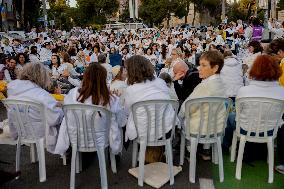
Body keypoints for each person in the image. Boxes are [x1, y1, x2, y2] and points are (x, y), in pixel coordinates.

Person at [54, 63, 127, 155]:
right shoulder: (110, 99)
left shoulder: (72, 94)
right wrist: (117, 101)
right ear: (103, 79)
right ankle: (114, 156)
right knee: (115, 122)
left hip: (76, 138)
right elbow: (122, 122)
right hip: (101, 140)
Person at [223, 55, 284, 160]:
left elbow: (239, 112)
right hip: (270, 131)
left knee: (230, 116)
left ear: (255, 69)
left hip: (245, 128)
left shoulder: (245, 90)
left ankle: (225, 146)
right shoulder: (281, 92)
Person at [178, 50, 227, 159]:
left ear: (215, 68)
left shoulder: (204, 86)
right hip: (217, 127)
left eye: (204, 65)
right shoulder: (221, 83)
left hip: (198, 129)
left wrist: (178, 118)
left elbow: (187, 108)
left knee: (182, 118)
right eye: (200, 65)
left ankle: (190, 150)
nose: (199, 68)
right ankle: (205, 150)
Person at [6, 63, 64, 153]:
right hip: (40, 131)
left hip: (21, 129)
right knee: (67, 120)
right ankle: (70, 153)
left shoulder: (12, 90)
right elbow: (54, 119)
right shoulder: (41, 94)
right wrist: (61, 109)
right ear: (41, 76)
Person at [124, 55, 177, 141]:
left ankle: (144, 152)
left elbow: (127, 112)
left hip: (143, 133)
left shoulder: (131, 90)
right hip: (166, 129)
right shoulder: (161, 82)